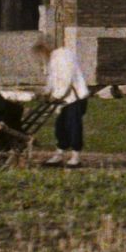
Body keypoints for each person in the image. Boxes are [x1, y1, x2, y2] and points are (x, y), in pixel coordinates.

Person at [39, 36, 90, 168]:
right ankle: (59, 153)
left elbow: (67, 79)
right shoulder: (53, 59)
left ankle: (75, 156)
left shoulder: (65, 55)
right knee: (60, 126)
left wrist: (57, 95)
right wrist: (46, 91)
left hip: (75, 98)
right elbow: (52, 80)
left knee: (73, 126)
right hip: (64, 100)